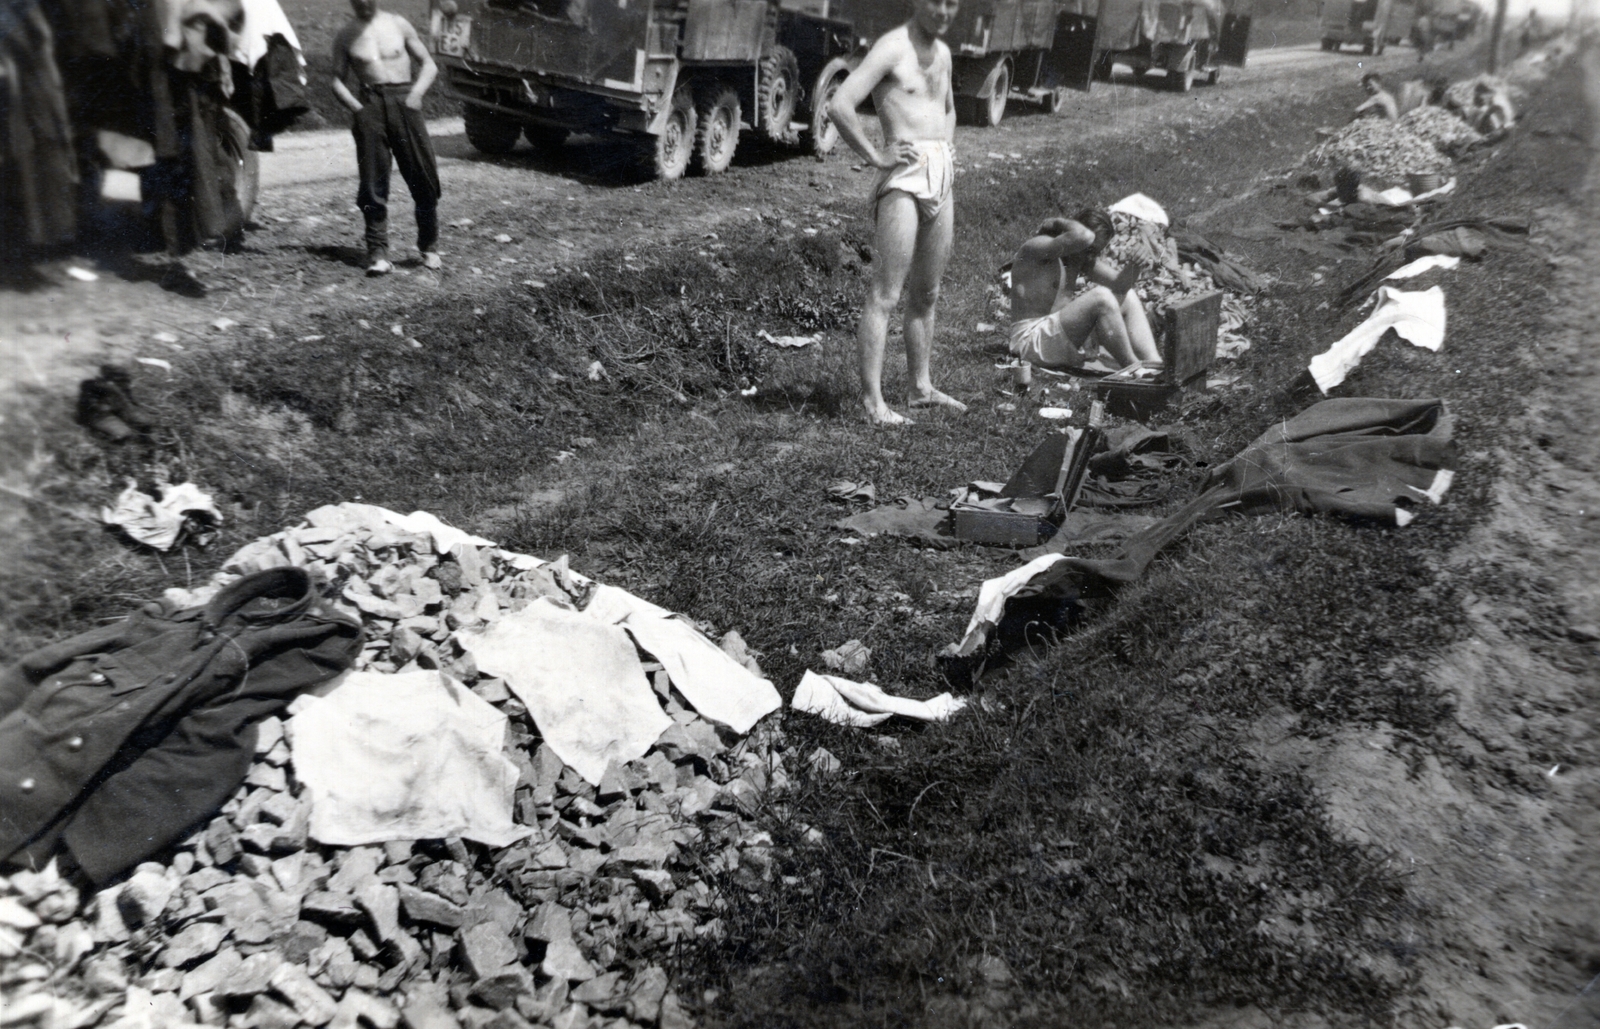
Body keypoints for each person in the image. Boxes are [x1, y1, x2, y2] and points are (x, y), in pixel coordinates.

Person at [827, 0, 966, 426]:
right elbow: (840, 104)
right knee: (886, 293)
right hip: (903, 178)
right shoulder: (892, 47)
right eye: (936, 2)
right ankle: (873, 403)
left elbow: (946, 107)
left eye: (952, 3)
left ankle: (920, 388)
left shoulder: (941, 52)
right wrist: (876, 155)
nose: (944, 11)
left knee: (927, 292)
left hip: (940, 173)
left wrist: (946, 149)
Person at [332, 0, 441, 275]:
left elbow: (429, 64)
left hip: (405, 100)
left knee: (423, 176)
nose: (363, 3)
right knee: (372, 181)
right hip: (370, 105)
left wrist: (416, 94)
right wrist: (359, 110)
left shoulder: (398, 24)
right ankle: (378, 253)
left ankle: (428, 247)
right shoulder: (345, 35)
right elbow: (336, 80)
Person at [1006, 209, 1163, 373]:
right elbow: (1084, 236)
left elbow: (1121, 285)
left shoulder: (1078, 258)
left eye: (1096, 252)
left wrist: (1135, 264)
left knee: (1127, 297)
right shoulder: (1039, 247)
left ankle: (1155, 365)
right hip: (1028, 342)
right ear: (1071, 235)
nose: (1091, 257)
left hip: (1051, 341)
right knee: (1101, 298)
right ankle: (1134, 370)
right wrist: (1057, 222)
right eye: (1090, 250)